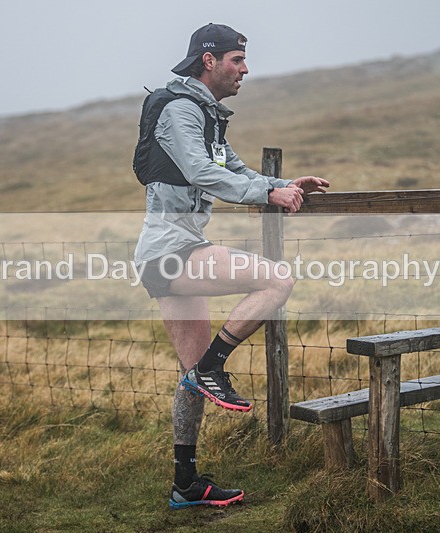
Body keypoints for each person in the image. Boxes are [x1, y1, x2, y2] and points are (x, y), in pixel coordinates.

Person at [132, 23, 329, 509]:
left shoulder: (205, 114)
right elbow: (203, 173)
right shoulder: (180, 109)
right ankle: (214, 366)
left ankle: (185, 483)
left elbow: (234, 169)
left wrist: (281, 182)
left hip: (170, 254)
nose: (245, 69)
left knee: (189, 375)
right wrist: (268, 193)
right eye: (237, 60)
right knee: (277, 280)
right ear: (208, 60)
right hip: (169, 251)